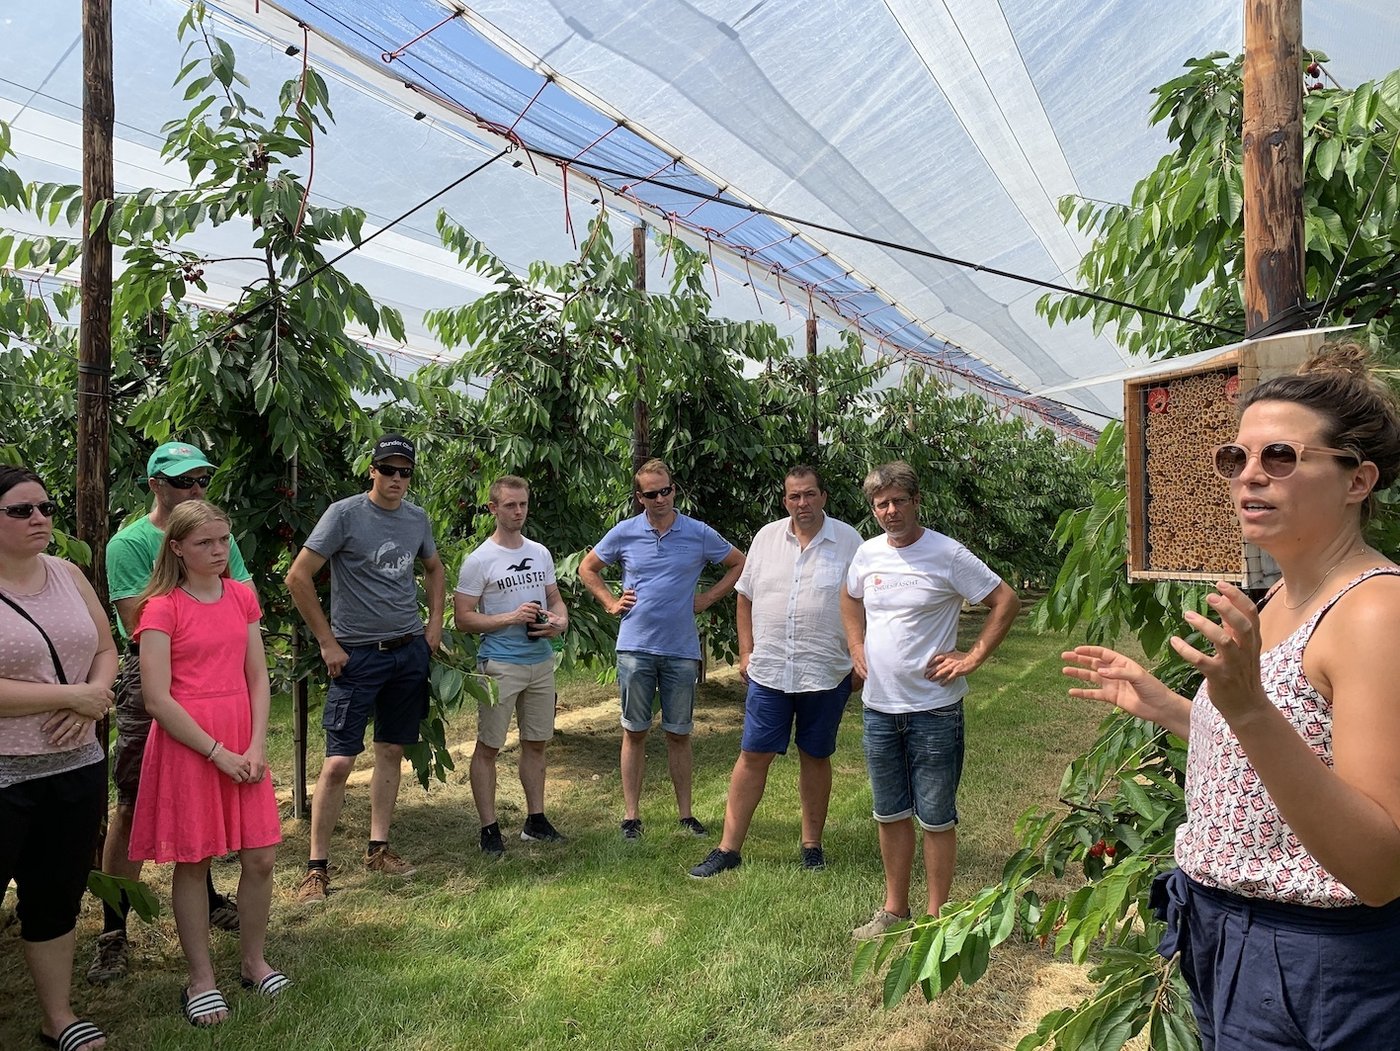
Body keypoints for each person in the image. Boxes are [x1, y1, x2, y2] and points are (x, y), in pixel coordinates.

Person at [1063, 343, 1400, 1050]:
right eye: (1235, 458)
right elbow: (1296, 752)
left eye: (1281, 456)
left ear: (1356, 480)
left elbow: (1380, 866)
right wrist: (1174, 708)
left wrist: (1246, 708)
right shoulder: (1279, 593)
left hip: (1315, 960)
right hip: (1224, 931)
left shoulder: (1375, 612)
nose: (1250, 475)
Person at [90, 441, 250, 983]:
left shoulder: (214, 533)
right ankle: (114, 927)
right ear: (155, 484)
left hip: (218, 676)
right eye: (184, 481)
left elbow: (240, 597)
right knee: (136, 799)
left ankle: (202, 899)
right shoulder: (129, 543)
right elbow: (144, 622)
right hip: (156, 677)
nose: (196, 488)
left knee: (210, 793)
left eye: (202, 478)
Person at [842, 460, 1020, 939]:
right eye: (881, 504)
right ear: (873, 509)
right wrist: (856, 647)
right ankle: (894, 909)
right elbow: (849, 596)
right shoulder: (867, 554)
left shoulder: (947, 554)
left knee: (936, 814)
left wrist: (973, 656)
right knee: (889, 810)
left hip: (934, 709)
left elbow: (1005, 600)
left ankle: (938, 915)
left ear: (916, 502)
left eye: (899, 501)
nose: (891, 511)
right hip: (880, 707)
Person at [127, 501, 287, 1027]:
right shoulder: (161, 608)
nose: (219, 551)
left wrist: (257, 745)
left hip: (244, 741)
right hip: (191, 747)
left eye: (224, 540)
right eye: (205, 543)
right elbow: (157, 698)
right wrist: (216, 753)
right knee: (193, 863)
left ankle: (253, 961)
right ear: (177, 548)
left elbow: (258, 678)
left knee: (260, 857)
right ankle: (201, 979)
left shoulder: (241, 597)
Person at [286, 434, 445, 904]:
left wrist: (433, 624)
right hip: (357, 654)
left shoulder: (417, 519)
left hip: (407, 650)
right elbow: (298, 576)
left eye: (405, 472)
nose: (397, 479)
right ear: (371, 470)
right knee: (338, 761)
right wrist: (327, 643)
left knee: (392, 748)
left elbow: (434, 568)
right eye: (389, 469)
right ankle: (316, 867)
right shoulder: (345, 515)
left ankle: (379, 849)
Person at [689, 465, 863, 878]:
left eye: (809, 495)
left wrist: (861, 656)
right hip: (770, 671)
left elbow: (863, 604)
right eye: (793, 497)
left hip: (825, 669)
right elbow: (744, 597)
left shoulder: (849, 542)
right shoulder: (766, 538)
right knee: (752, 755)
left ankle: (811, 845)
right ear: (785, 500)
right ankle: (728, 849)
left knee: (815, 756)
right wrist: (746, 652)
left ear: (823, 496)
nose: (801, 503)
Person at [0, 466, 117, 1051]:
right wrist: (69, 696)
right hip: (5, 772)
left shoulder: (68, 573)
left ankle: (58, 1017)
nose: (40, 518)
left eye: (44, 507)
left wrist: (92, 698)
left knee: (55, 894)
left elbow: (104, 647)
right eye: (20, 511)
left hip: (75, 765)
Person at [578, 457, 745, 840]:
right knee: (634, 731)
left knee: (679, 732)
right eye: (651, 493)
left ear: (674, 489)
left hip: (681, 649)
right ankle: (631, 817)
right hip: (635, 646)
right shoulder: (625, 532)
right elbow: (588, 568)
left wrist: (707, 598)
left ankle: (685, 815)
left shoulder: (698, 532)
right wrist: (609, 601)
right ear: (640, 497)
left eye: (665, 490)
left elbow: (739, 563)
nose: (660, 499)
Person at [453, 475, 569, 857]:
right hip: (500, 664)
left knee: (537, 743)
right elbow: (463, 619)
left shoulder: (539, 552)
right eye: (509, 505)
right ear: (493, 509)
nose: (518, 511)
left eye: (522, 504)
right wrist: (509, 618)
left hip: (540, 662)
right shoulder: (479, 561)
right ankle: (489, 829)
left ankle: (535, 820)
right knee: (489, 747)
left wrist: (559, 623)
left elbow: (554, 598)